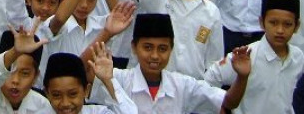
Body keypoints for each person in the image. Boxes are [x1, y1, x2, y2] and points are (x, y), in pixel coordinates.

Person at [92, 13, 250, 113]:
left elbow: (228, 102)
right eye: (147, 48)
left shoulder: (183, 85)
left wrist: (242, 77)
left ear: (171, 49)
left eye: (162, 49)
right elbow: (82, 75)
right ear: (134, 47)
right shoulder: (115, 78)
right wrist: (107, 33)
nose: (155, 56)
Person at [205, 0, 304, 114]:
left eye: (287, 24)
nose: (280, 30)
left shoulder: (298, 57)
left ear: (296, 26)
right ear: (262, 22)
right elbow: (209, 79)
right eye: (273, 23)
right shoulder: (246, 56)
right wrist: (219, 107)